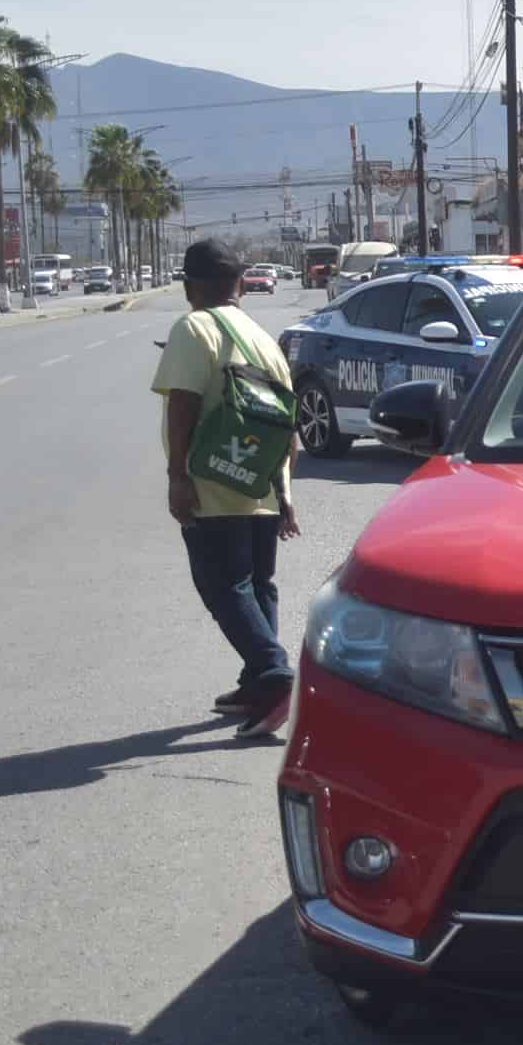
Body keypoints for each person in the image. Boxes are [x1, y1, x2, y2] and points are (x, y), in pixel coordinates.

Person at [153, 238, 300, 737]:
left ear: (190, 287)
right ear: (240, 285)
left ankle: (275, 673)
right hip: (260, 485)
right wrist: (285, 495)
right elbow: (286, 425)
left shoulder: (194, 328)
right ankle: (257, 683)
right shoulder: (262, 338)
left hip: (215, 483)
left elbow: (183, 405)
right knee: (257, 586)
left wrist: (177, 476)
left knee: (221, 585)